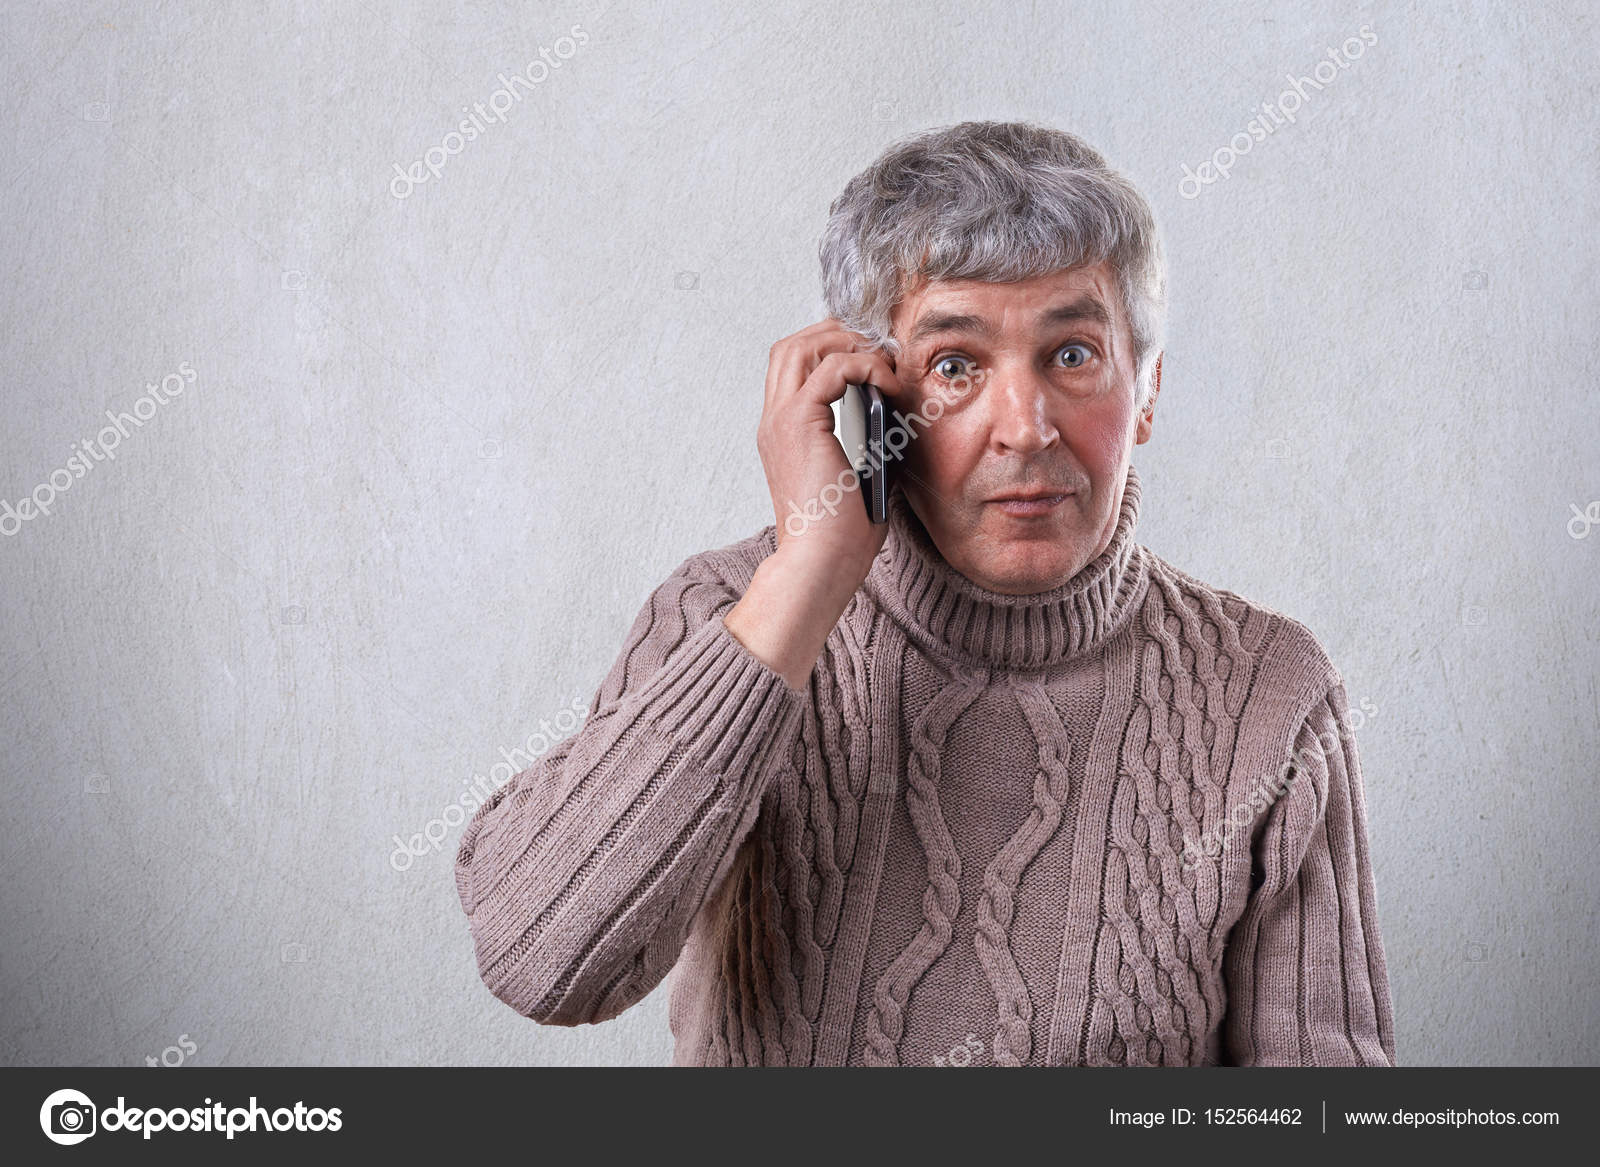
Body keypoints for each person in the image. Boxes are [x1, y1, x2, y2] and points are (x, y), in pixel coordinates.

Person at [454, 120, 1396, 1067]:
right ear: (868, 401)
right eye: (955, 366)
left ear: (1146, 393)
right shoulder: (728, 615)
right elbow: (543, 962)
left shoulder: (1268, 691)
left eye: (1073, 353)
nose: (1024, 429)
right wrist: (810, 574)